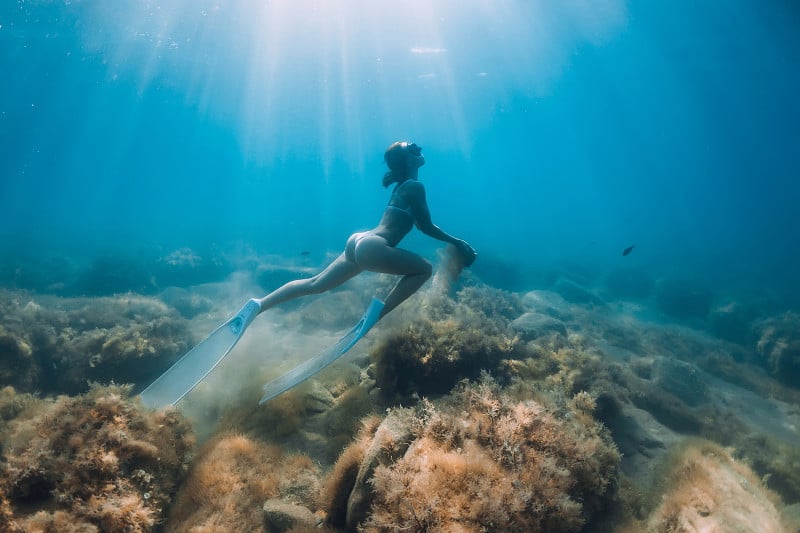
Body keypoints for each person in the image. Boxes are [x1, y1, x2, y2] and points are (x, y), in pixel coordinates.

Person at [256, 141, 476, 320]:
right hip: (373, 247)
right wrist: (459, 243)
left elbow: (420, 224)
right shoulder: (415, 186)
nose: (418, 149)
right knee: (424, 269)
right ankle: (373, 318)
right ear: (408, 160)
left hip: (359, 242)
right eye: (412, 148)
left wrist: (456, 242)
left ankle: (259, 304)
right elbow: (426, 226)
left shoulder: (403, 186)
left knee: (316, 284)